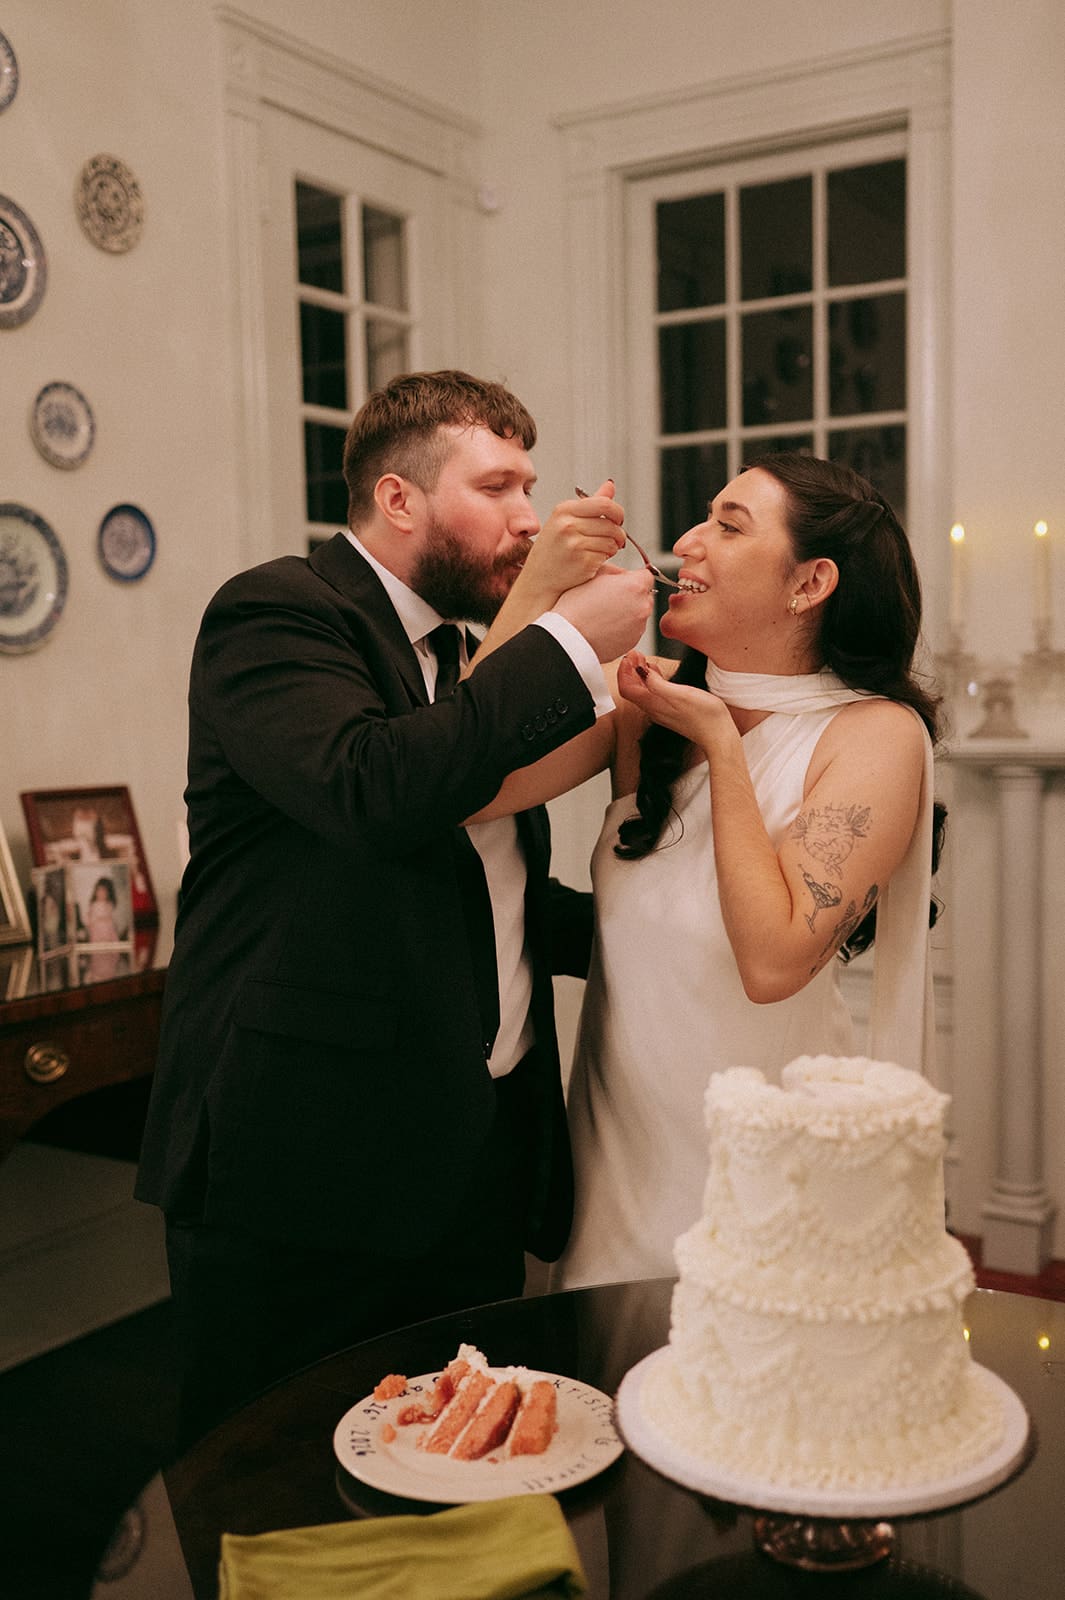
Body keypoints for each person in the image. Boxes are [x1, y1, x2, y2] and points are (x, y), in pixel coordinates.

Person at [134, 370, 652, 1445]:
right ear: (399, 498)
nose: (528, 516)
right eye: (499, 486)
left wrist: (664, 936)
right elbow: (376, 790)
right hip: (305, 1166)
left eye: (532, 485)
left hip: (471, 1159)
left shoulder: (467, 660)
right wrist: (566, 639)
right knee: (279, 1490)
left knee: (457, 1491)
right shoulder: (277, 611)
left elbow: (484, 893)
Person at [466, 451, 945, 1287]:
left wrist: (721, 744)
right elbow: (461, 784)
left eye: (727, 526)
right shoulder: (639, 706)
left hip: (769, 1194)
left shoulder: (875, 734)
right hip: (617, 1178)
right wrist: (535, 597)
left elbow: (771, 961)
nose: (687, 541)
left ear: (810, 583)